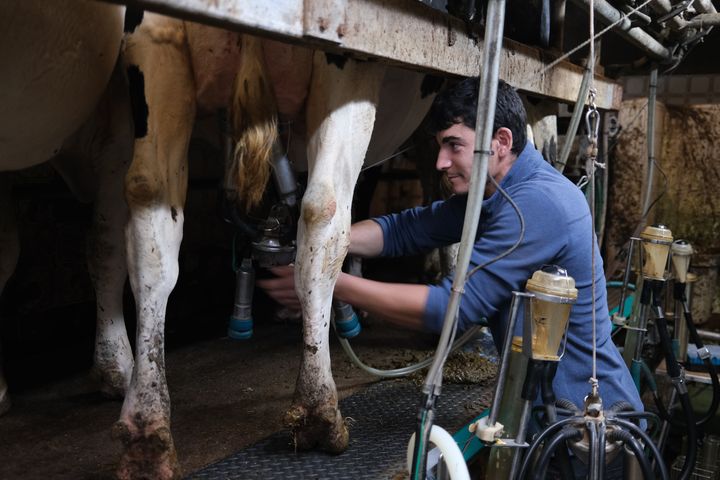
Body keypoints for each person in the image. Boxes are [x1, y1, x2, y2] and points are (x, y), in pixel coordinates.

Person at [258, 77, 643, 441]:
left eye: (454, 145)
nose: (441, 161)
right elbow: (407, 229)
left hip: (587, 425)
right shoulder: (498, 194)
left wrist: (326, 282)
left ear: (501, 142)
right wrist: (321, 241)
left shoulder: (536, 204)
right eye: (440, 146)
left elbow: (451, 307)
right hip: (547, 409)